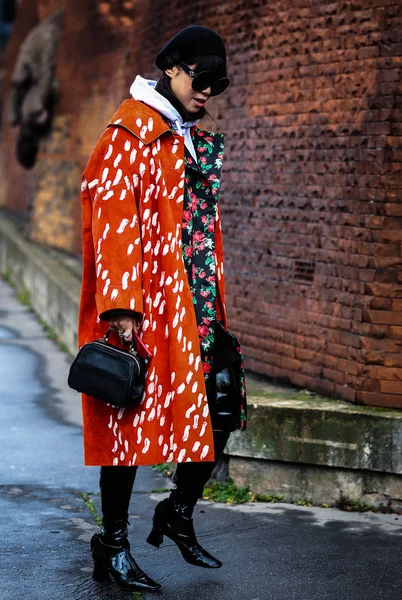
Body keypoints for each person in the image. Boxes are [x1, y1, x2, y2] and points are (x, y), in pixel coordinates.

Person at [78, 25, 247, 593]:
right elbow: (111, 216)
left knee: (222, 399)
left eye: (219, 83)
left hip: (195, 303)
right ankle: (114, 545)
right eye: (203, 77)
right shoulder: (130, 132)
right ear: (173, 68)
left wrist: (214, 302)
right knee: (125, 418)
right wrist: (122, 306)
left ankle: (176, 512)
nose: (209, 91)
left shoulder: (186, 136)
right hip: (145, 305)